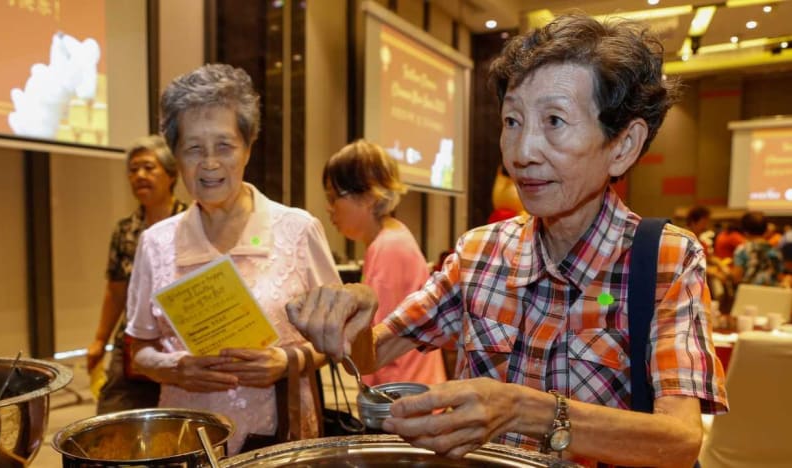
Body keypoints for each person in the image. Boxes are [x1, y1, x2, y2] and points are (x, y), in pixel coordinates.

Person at [286, 15, 727, 467]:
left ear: (623, 145)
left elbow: (679, 441)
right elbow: (372, 354)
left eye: (554, 120)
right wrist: (355, 318)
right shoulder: (480, 252)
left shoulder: (666, 259)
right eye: (512, 121)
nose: (522, 152)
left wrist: (526, 410)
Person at [125, 64, 340, 454]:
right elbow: (139, 349)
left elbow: (337, 338)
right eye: (194, 148)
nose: (210, 163)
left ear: (248, 148)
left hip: (281, 442)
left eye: (224, 146)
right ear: (176, 156)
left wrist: (286, 361)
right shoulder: (155, 242)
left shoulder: (298, 230)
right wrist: (176, 368)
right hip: (187, 442)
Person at [323, 140, 446, 387]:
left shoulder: (388, 247)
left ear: (368, 196)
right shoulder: (390, 239)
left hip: (403, 393)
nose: (329, 208)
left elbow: (372, 345)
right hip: (409, 389)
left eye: (334, 197)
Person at [87, 135, 187, 414]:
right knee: (112, 419)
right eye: (133, 170)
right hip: (132, 342)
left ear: (171, 174)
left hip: (181, 344)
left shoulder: (194, 223)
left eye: (148, 167)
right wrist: (99, 340)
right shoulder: (125, 230)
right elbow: (116, 291)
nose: (139, 175)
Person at [731, 211, 782, 286]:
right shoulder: (775, 251)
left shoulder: (742, 250)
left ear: (745, 230)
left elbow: (737, 277)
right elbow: (779, 277)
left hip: (747, 291)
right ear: (765, 230)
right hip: (772, 291)